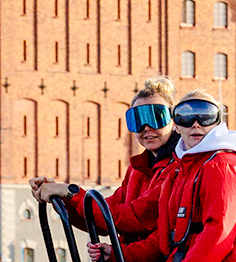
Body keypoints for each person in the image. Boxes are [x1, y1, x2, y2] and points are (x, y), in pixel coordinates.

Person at [97, 91, 236, 262]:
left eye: (206, 116)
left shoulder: (224, 166)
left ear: (218, 122)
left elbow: (216, 236)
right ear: (176, 124)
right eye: (185, 116)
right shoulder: (183, 168)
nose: (196, 124)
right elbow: (164, 236)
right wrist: (117, 255)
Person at [31, 76, 177, 243]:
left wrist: (72, 192)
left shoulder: (179, 166)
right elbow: (102, 220)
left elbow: (136, 219)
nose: (146, 128)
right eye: (137, 120)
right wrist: (64, 198)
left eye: (156, 118)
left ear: (174, 120)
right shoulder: (137, 169)